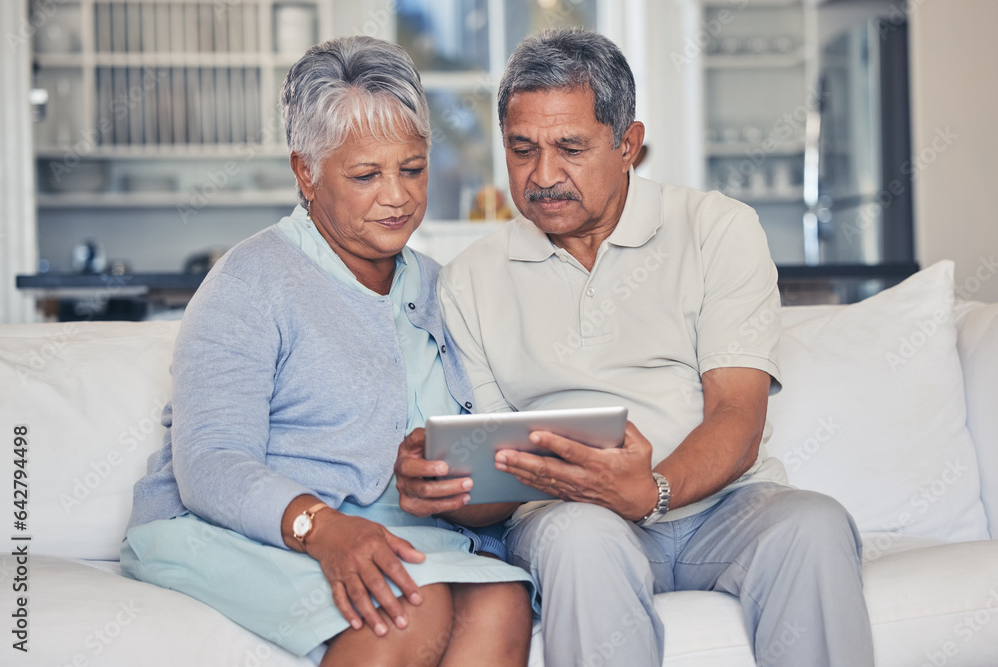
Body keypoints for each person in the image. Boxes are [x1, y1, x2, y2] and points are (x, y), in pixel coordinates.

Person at [409, 27, 874, 667]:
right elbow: (496, 466)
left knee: (814, 525)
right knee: (580, 539)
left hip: (723, 509)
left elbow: (738, 419)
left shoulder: (717, 229)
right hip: (571, 518)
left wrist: (651, 490)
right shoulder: (470, 279)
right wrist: (448, 484)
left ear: (628, 144)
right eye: (522, 150)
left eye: (570, 148)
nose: (543, 176)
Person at [121, 36, 532, 667]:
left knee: (502, 600)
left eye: (413, 169)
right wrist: (323, 528)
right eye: (366, 174)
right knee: (406, 608)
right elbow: (209, 464)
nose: (397, 196)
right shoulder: (250, 281)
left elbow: (473, 448)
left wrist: (463, 482)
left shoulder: (440, 289)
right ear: (305, 172)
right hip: (235, 527)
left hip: (402, 531)